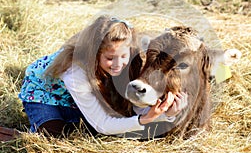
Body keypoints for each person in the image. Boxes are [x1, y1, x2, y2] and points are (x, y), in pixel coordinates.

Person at [19, 15, 187, 138]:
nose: (118, 64)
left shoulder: (130, 63)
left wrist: (167, 113)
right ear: (94, 54)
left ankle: (77, 116)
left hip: (87, 92)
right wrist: (145, 119)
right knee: (54, 137)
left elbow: (132, 106)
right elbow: (103, 125)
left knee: (109, 125)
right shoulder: (74, 71)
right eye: (109, 58)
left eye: (123, 56)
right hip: (45, 94)